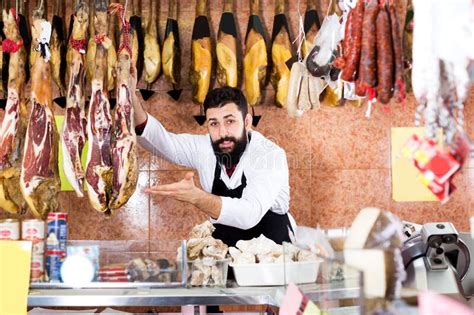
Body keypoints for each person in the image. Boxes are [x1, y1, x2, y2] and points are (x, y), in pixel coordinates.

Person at [133, 86, 295, 247]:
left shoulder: (269, 154)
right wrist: (130, 93)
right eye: (214, 123)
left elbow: (249, 215)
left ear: (247, 122)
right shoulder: (206, 148)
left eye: (230, 121)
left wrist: (197, 197)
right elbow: (160, 142)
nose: (222, 132)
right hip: (225, 252)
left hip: (273, 256)